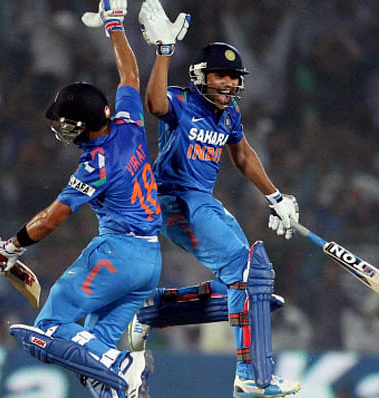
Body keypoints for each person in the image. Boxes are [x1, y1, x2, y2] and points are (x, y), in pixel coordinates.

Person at [0, 1, 162, 397]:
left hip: (118, 254)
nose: (60, 128)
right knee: (91, 363)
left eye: (65, 123)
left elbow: (51, 219)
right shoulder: (128, 122)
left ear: (82, 126)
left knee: (51, 329)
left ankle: (124, 364)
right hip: (149, 261)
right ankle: (116, 378)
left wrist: (9, 248)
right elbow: (130, 72)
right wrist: (114, 24)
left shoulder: (95, 164)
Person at [129, 1, 302, 397]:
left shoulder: (228, 115)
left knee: (248, 288)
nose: (227, 83)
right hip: (174, 202)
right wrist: (164, 52)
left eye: (233, 77)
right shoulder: (181, 102)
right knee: (249, 276)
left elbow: (242, 154)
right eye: (219, 76)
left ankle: (153, 310)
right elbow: (153, 104)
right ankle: (252, 374)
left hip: (202, 201)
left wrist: (274, 196)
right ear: (200, 76)